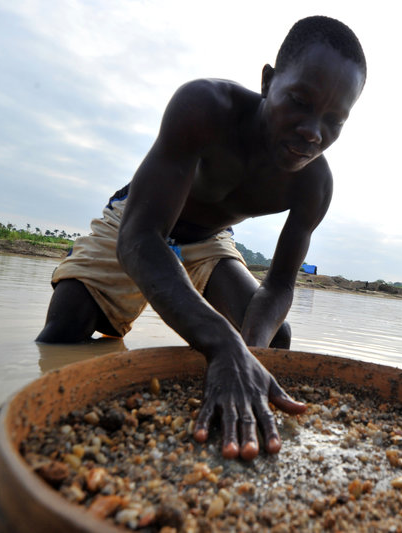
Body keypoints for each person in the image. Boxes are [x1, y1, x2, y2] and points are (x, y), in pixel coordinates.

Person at [36, 16, 366, 461]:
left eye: (334, 120)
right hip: (140, 219)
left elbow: (281, 285)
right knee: (65, 325)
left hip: (209, 238)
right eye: (300, 101)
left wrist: (245, 351)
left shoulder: (314, 184)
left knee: (274, 336)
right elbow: (140, 238)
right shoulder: (205, 108)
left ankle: (223, 405)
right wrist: (220, 341)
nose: (313, 131)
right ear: (269, 82)